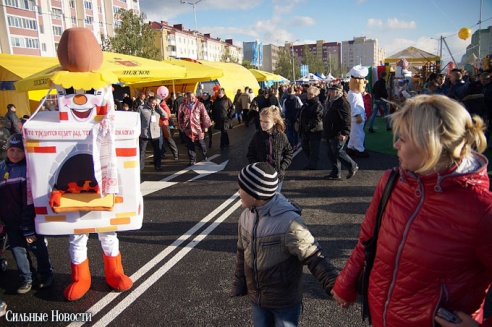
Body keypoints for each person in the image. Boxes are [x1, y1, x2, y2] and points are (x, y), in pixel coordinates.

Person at [331, 94, 492, 327]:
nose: (395, 144)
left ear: (431, 146)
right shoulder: (391, 181)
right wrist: (346, 283)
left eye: (403, 139)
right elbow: (367, 239)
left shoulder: (481, 210)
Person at [230, 162, 338, 327]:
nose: (238, 192)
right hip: (257, 298)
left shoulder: (288, 222)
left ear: (256, 195)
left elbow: (314, 256)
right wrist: (239, 282)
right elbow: (241, 252)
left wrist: (334, 285)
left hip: (284, 302)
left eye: (242, 188)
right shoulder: (245, 216)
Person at [0, 134, 54, 294]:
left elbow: (29, 201)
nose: (15, 154)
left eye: (19, 151)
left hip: (29, 220)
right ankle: (27, 278)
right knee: (18, 251)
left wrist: (28, 227)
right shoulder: (2, 168)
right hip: (10, 221)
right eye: (12, 150)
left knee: (38, 247)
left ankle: (46, 275)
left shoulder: (28, 169)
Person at [246, 106, 293, 191]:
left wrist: (282, 167)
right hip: (261, 177)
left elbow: (289, 153)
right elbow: (250, 154)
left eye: (266, 122)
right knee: (262, 201)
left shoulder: (281, 136)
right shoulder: (257, 136)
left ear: (274, 122)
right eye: (261, 121)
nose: (262, 124)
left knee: (275, 199)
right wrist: (257, 168)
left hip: (277, 177)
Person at [322, 84, 359, 180]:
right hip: (329, 131)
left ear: (337, 92)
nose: (329, 93)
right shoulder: (331, 101)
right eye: (329, 90)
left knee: (338, 151)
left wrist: (345, 133)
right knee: (331, 153)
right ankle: (335, 172)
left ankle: (353, 166)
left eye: (331, 91)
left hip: (337, 132)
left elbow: (347, 119)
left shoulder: (342, 103)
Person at [178, 91, 211, 166]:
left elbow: (204, 115)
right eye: (190, 97)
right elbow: (180, 116)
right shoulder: (182, 106)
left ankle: (204, 154)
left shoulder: (200, 105)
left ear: (195, 96)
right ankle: (192, 160)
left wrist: (206, 126)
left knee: (200, 144)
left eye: (193, 97)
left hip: (197, 128)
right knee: (189, 145)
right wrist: (181, 125)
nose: (191, 98)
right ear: (187, 97)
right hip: (187, 129)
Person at [138, 96, 167, 171]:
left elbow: (165, 115)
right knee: (142, 151)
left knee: (157, 151)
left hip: (155, 133)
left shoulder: (157, 109)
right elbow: (137, 120)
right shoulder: (141, 108)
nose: (154, 105)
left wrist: (159, 107)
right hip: (145, 133)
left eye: (155, 103)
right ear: (149, 102)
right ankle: (140, 167)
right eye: (153, 104)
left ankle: (157, 165)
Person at [298, 85, 323, 170]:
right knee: (305, 147)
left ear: (315, 95)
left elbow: (317, 119)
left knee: (314, 149)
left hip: (314, 131)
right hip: (306, 130)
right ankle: (313, 161)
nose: (309, 96)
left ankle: (312, 164)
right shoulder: (306, 104)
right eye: (308, 94)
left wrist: (308, 126)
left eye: (311, 94)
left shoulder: (317, 105)